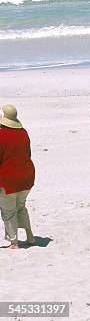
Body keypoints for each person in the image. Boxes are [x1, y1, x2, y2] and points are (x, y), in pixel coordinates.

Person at [0, 105, 36, 249]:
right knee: (21, 207)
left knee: (8, 211)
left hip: (9, 178)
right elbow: (28, 153)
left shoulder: (1, 135)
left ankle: (14, 242)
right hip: (27, 175)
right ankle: (30, 236)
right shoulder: (23, 133)